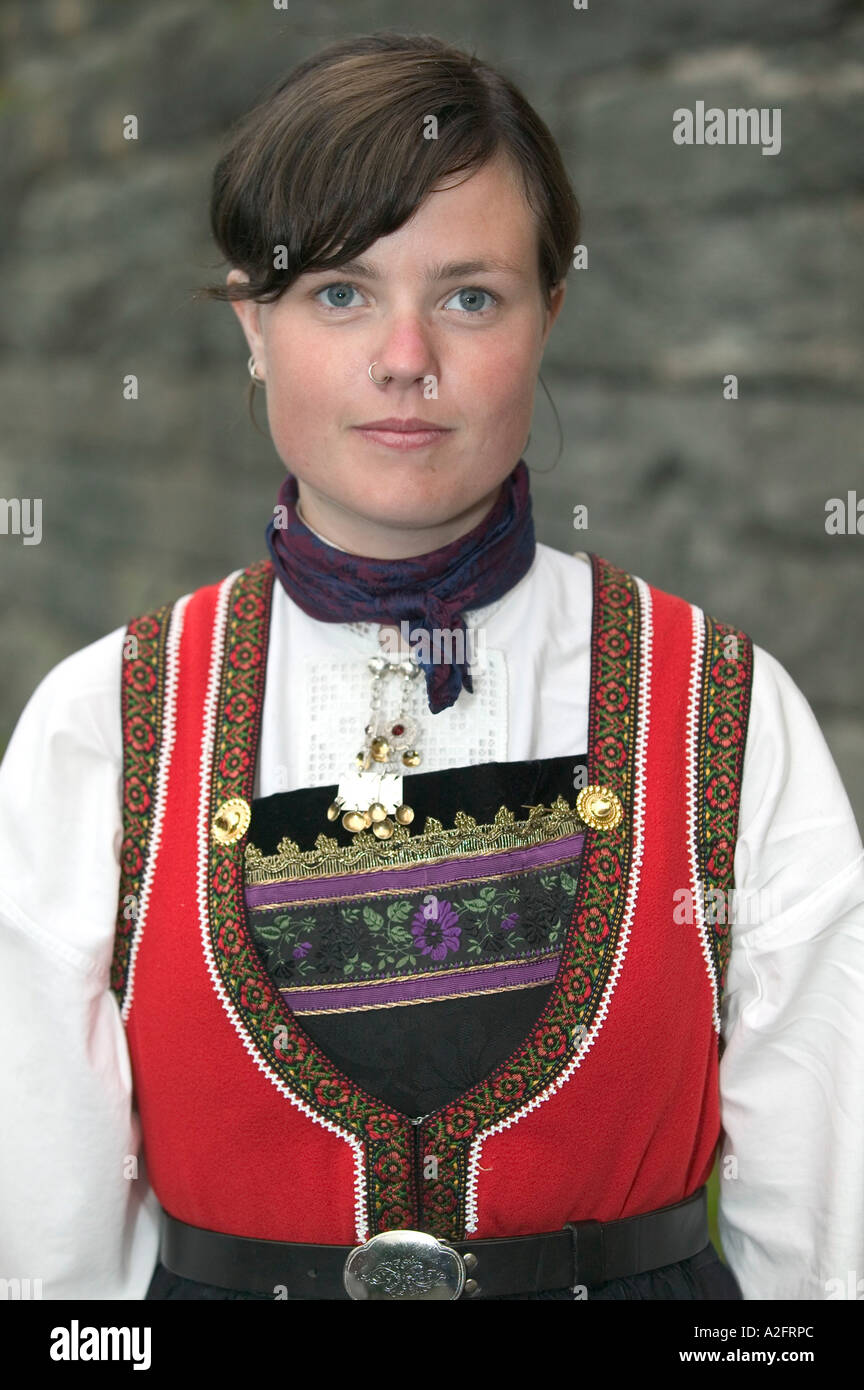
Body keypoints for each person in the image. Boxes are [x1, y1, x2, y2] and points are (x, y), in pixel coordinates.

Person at [1, 31, 862, 1303]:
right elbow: (52, 1250)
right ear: (254, 320)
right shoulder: (103, 729)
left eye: (470, 295)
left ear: (548, 314)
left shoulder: (725, 709)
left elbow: (826, 1234)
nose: (407, 356)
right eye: (339, 291)